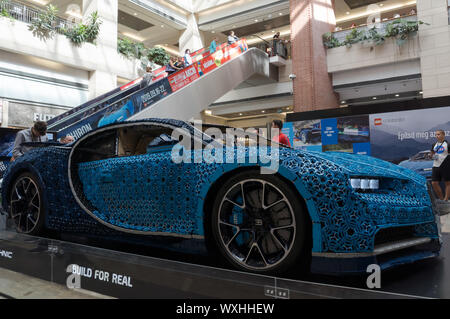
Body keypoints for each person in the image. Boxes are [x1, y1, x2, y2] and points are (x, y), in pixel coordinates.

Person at [430, 130, 450, 201]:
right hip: (435, 165)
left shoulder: (448, 144)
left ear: (443, 135)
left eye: (438, 134)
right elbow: (432, 154)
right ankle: (441, 199)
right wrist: (430, 156)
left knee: (447, 183)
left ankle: (446, 199)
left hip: (445, 166)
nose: (437, 136)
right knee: (434, 183)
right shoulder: (434, 144)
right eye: (436, 135)